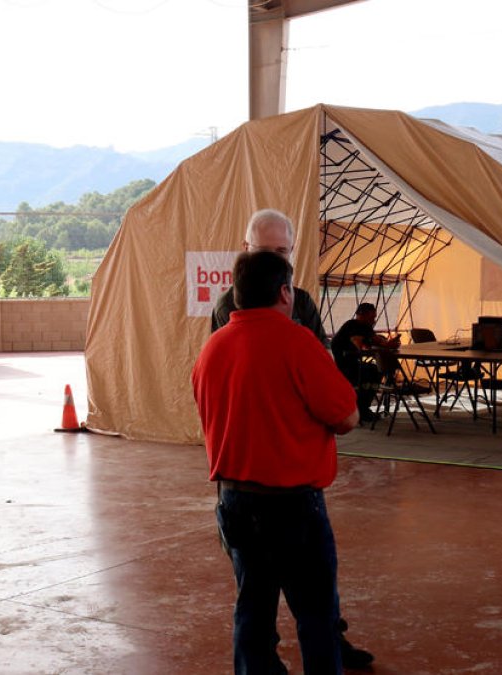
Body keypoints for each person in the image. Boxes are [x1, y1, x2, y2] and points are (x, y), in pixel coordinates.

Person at [208, 209, 375, 670]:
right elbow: (340, 411)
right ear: (248, 255)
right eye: (267, 254)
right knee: (308, 603)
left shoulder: (223, 341)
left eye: (282, 252)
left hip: (242, 492)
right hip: (286, 493)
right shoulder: (243, 313)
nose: (277, 260)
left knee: (259, 600)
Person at [211, 208, 327, 347]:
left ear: (291, 250)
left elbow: (324, 356)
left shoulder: (302, 301)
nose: (273, 260)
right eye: (263, 251)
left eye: (281, 251)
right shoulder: (227, 305)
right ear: (246, 248)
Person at [331, 302, 401, 424]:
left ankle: (363, 406)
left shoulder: (365, 327)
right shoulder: (351, 325)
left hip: (354, 363)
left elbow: (375, 340)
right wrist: (379, 343)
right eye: (371, 317)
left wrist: (387, 343)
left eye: (374, 317)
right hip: (343, 366)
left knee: (376, 370)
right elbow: (357, 342)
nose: (373, 320)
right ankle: (362, 408)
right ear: (361, 315)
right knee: (373, 371)